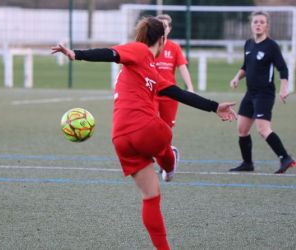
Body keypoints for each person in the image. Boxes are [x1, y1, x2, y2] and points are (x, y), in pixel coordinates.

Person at [52, 16, 237, 250]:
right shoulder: (139, 51)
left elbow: (178, 93)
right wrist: (76, 54)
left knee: (151, 196)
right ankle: (169, 163)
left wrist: (214, 106)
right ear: (162, 39)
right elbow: (110, 53)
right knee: (164, 136)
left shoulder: (148, 70)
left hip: (121, 139)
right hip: (147, 130)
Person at [229, 10, 295, 174]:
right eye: (255, 22)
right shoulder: (249, 44)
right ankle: (247, 163)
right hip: (250, 93)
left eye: (261, 22)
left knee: (263, 129)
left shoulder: (271, 46)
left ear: (267, 26)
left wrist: (284, 87)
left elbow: (283, 69)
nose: (258, 24)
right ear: (251, 25)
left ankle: (285, 158)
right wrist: (237, 77)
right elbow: (246, 66)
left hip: (264, 94)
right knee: (242, 129)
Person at [154, 14, 195, 180]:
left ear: (170, 29)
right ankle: (157, 158)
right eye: (159, 25)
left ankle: (168, 157)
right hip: (152, 93)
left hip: (170, 94)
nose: (163, 28)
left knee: (166, 129)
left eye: (165, 26)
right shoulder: (150, 46)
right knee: (151, 124)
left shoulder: (174, 47)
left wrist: (190, 87)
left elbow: (183, 68)